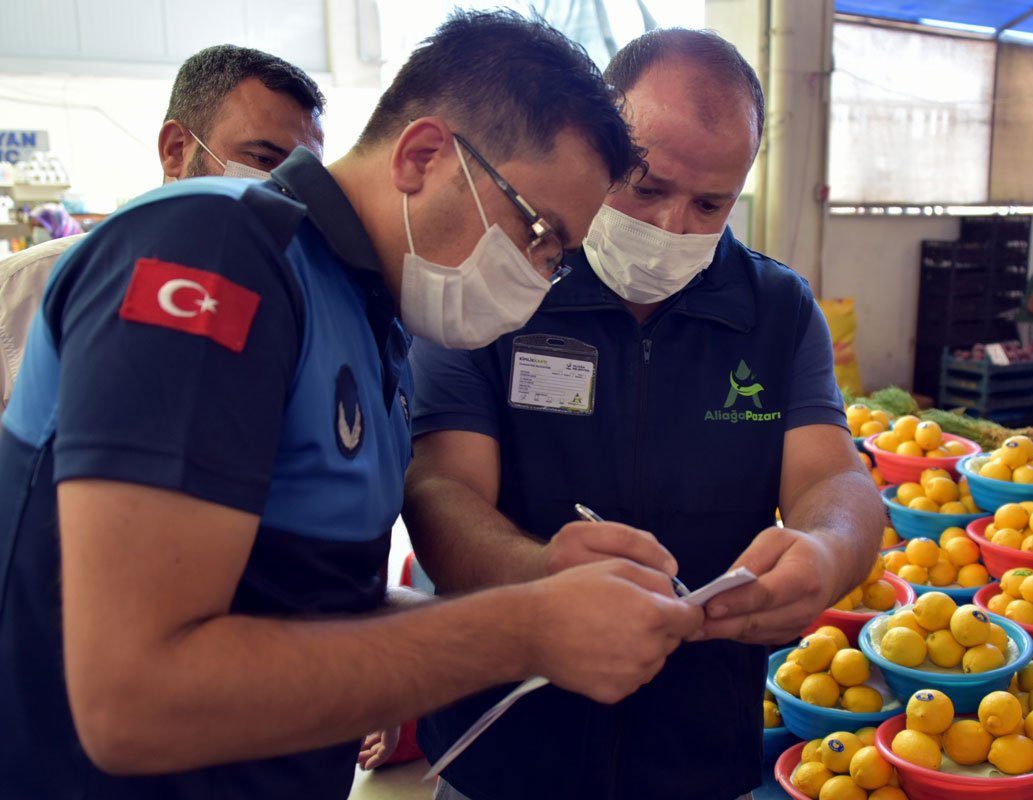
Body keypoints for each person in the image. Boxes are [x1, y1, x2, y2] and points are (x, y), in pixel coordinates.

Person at [0, 12, 703, 799]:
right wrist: (523, 631)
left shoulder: (371, 321)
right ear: (424, 155)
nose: (541, 275)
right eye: (538, 233)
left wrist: (538, 592)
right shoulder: (216, 255)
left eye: (559, 260)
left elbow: (306, 604)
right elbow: (133, 697)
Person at [403, 28, 884, 800]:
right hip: (503, 746)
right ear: (597, 143)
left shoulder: (777, 311)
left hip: (695, 750)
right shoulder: (499, 280)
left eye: (710, 203)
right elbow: (438, 489)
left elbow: (835, 478)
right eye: (647, 187)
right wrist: (540, 578)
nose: (671, 229)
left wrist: (828, 552)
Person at [0, 43, 326, 413]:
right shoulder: (24, 290)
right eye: (262, 158)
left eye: (302, 173)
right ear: (175, 150)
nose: (285, 188)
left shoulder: (296, 308)